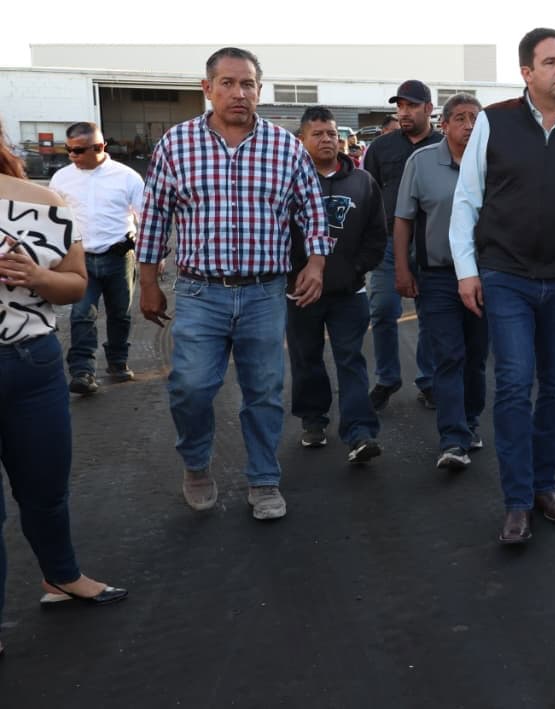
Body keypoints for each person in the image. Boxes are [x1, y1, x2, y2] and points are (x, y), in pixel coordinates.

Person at [137, 47, 331, 521]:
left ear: (259, 90)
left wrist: (316, 265)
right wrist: (148, 282)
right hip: (202, 292)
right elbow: (155, 218)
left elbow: (313, 213)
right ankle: (197, 465)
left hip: (265, 293)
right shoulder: (176, 145)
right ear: (207, 89)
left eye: (247, 84)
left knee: (263, 390)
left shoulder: (285, 147)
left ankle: (264, 479)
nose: (238, 93)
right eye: (227, 83)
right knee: (191, 388)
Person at [450, 28, 555, 545]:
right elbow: (467, 200)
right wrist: (467, 270)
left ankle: (545, 488)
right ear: (527, 72)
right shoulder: (494, 123)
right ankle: (517, 501)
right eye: (550, 61)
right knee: (512, 385)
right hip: (506, 278)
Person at [0, 127, 127, 658]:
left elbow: (75, 284)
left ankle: (61, 577)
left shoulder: (39, 201)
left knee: (46, 492)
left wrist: (35, 277)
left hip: (33, 364)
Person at [287, 106, 387, 462]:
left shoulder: (362, 182)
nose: (328, 139)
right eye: (318, 134)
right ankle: (313, 420)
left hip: (349, 293)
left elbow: (378, 234)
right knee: (307, 359)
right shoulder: (288, 181)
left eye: (332, 133)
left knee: (351, 360)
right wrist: (292, 272)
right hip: (300, 294)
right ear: (301, 140)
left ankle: (360, 433)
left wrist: (356, 268)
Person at [395, 93, 487, 471]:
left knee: (477, 358)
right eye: (460, 119)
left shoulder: (493, 164)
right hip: (436, 276)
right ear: (444, 125)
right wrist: (402, 268)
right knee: (449, 355)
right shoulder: (421, 163)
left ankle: (471, 420)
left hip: (485, 278)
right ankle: (453, 440)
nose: (468, 126)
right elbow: (403, 219)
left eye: (475, 119)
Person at [361, 81, 443, 411]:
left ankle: (428, 380)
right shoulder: (381, 149)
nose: (404, 112)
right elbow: (368, 195)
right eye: (400, 106)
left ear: (429, 108)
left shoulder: (444, 145)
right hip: (385, 245)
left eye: (411, 106)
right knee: (381, 311)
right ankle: (387, 378)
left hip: (431, 245)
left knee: (431, 316)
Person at [48, 121, 145, 394]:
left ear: (99, 147)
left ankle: (117, 361)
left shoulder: (127, 178)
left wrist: (153, 256)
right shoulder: (61, 179)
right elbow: (54, 219)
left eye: (78, 151)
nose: (71, 156)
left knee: (120, 314)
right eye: (68, 150)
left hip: (119, 257)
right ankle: (82, 371)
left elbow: (145, 217)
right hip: (80, 258)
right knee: (81, 314)